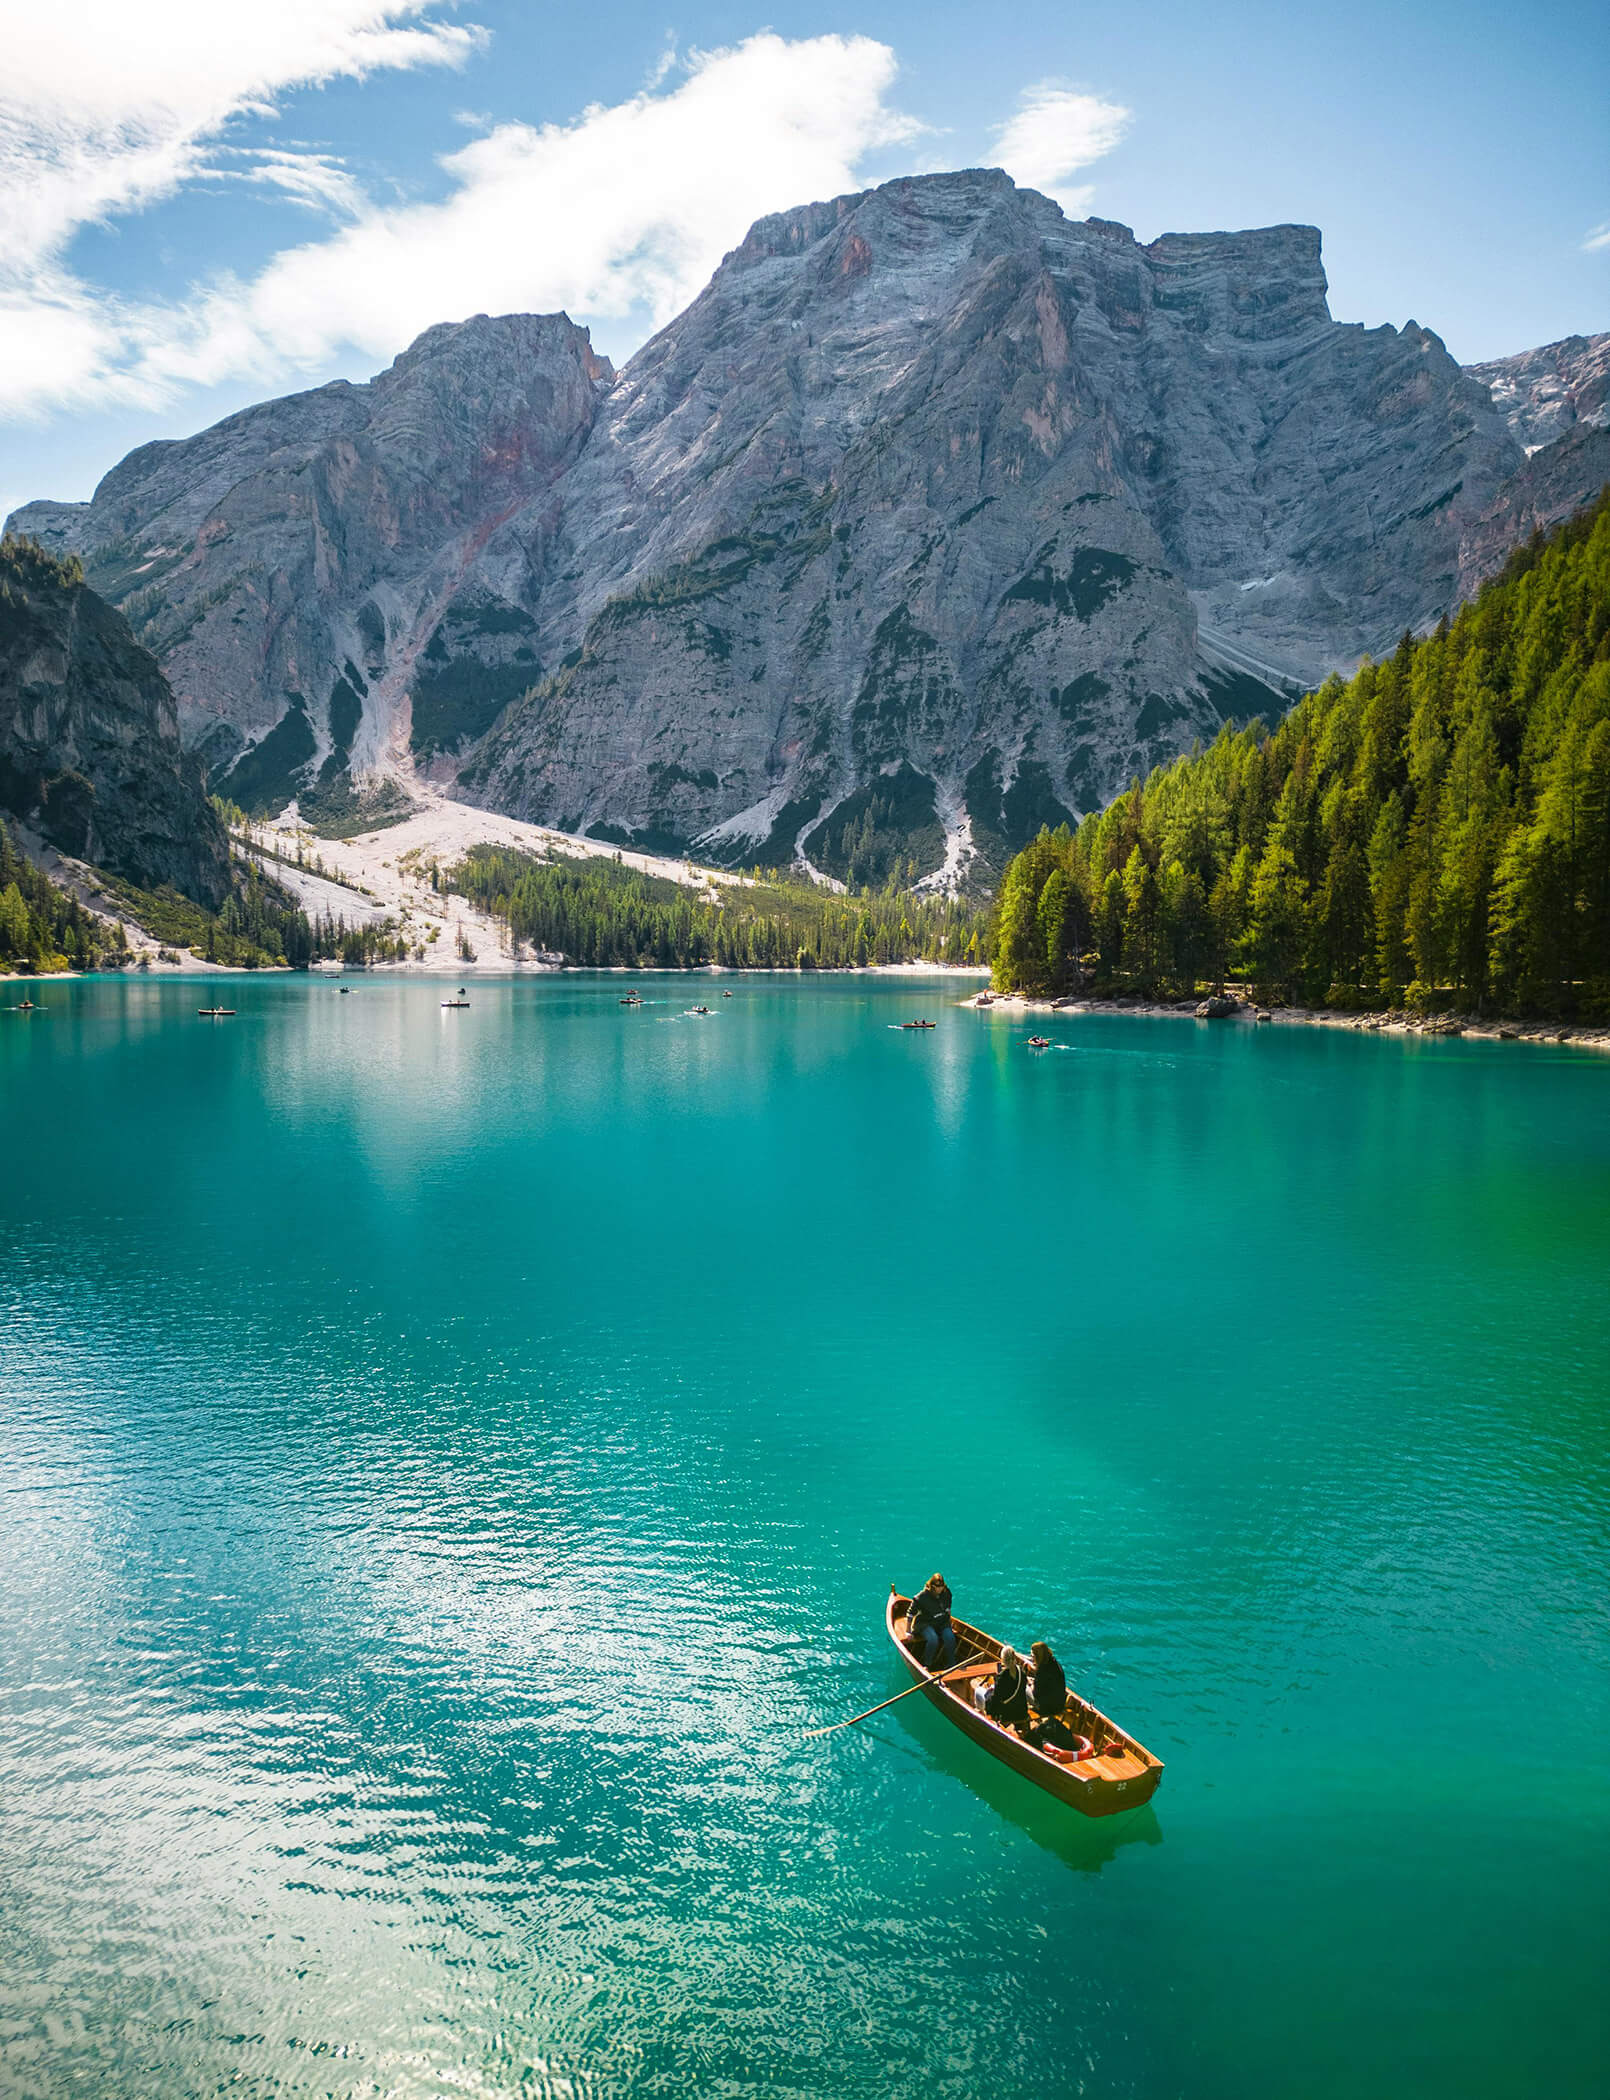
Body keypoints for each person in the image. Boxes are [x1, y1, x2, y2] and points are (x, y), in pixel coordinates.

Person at [908, 1573, 957, 1670]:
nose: (940, 1589)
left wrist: (949, 1623)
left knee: (950, 1638)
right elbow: (910, 1614)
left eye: (942, 1586)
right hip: (925, 1623)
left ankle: (952, 1664)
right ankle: (927, 1664)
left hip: (942, 1622)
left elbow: (948, 1609)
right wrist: (908, 1631)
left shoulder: (946, 1593)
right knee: (933, 1639)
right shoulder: (921, 1597)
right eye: (938, 1586)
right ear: (932, 1586)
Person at [1027, 1640, 1071, 1746]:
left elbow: (1036, 1693)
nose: (1031, 1658)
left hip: (1045, 1708)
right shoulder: (1055, 1663)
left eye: (1032, 1656)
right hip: (1059, 1705)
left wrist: (1030, 1684)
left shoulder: (1041, 1671)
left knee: (1024, 1688)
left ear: (1038, 1656)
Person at [980, 1644, 1029, 1728]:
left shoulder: (1001, 1677)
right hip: (1022, 1711)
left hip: (1006, 1714)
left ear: (1002, 1660)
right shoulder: (1021, 1672)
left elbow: (996, 1699)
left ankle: (981, 1715)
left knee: (980, 1692)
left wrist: (988, 1693)